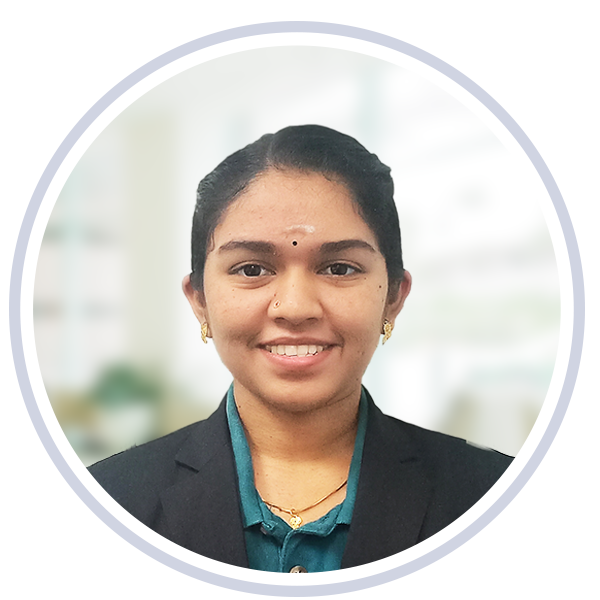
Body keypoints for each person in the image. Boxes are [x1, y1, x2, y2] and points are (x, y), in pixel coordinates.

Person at [33, 125, 561, 575]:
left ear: (393, 297)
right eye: (251, 269)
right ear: (200, 301)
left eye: (339, 268)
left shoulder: (499, 506)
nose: (294, 307)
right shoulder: (95, 514)